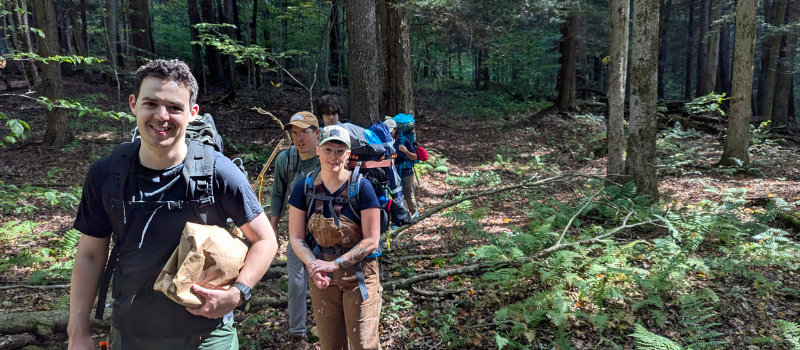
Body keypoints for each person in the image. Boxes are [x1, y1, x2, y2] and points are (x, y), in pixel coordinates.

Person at [67, 59, 278, 350]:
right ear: (133, 104)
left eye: (175, 108)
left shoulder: (218, 171)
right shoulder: (107, 174)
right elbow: (90, 254)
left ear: (192, 113)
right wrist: (77, 332)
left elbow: (265, 240)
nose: (161, 116)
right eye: (151, 103)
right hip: (130, 336)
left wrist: (239, 293)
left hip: (207, 337)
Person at [288, 125, 383, 350]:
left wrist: (336, 264)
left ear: (348, 154)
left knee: (363, 344)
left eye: (340, 151)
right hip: (322, 276)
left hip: (360, 274)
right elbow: (295, 236)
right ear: (318, 151)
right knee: (331, 344)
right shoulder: (304, 189)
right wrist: (314, 265)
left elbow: (372, 240)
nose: (334, 156)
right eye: (328, 149)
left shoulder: (362, 187)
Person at [268, 111, 321, 349]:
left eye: (304, 133)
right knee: (296, 283)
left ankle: (326, 325)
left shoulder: (328, 157)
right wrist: (273, 230)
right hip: (297, 232)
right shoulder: (285, 160)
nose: (299, 139)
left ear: (317, 133)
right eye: (294, 133)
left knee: (324, 279)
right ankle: (297, 334)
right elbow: (278, 193)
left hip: (327, 232)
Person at [387, 118, 418, 216]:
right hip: (393, 171)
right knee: (395, 195)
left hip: (406, 171)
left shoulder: (404, 140)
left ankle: (415, 213)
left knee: (408, 194)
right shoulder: (387, 140)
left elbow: (414, 157)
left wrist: (405, 151)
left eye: (391, 131)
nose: (389, 133)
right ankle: (400, 217)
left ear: (395, 129)